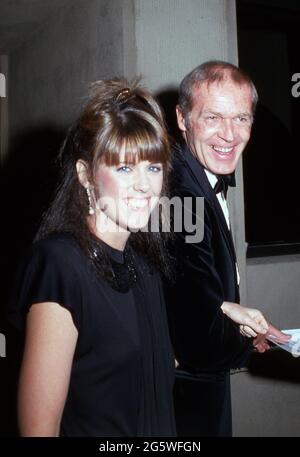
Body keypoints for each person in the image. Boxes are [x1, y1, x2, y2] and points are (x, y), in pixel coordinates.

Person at [9, 78, 176, 437]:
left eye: (153, 167)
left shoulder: (144, 265)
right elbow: (39, 429)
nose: (144, 186)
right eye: (124, 168)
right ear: (86, 176)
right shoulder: (60, 266)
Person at [166, 61, 290, 437]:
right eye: (213, 118)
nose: (229, 134)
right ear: (183, 119)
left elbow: (196, 294)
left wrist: (233, 317)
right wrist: (246, 344)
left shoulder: (200, 178)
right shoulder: (179, 196)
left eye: (241, 118)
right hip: (185, 394)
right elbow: (194, 338)